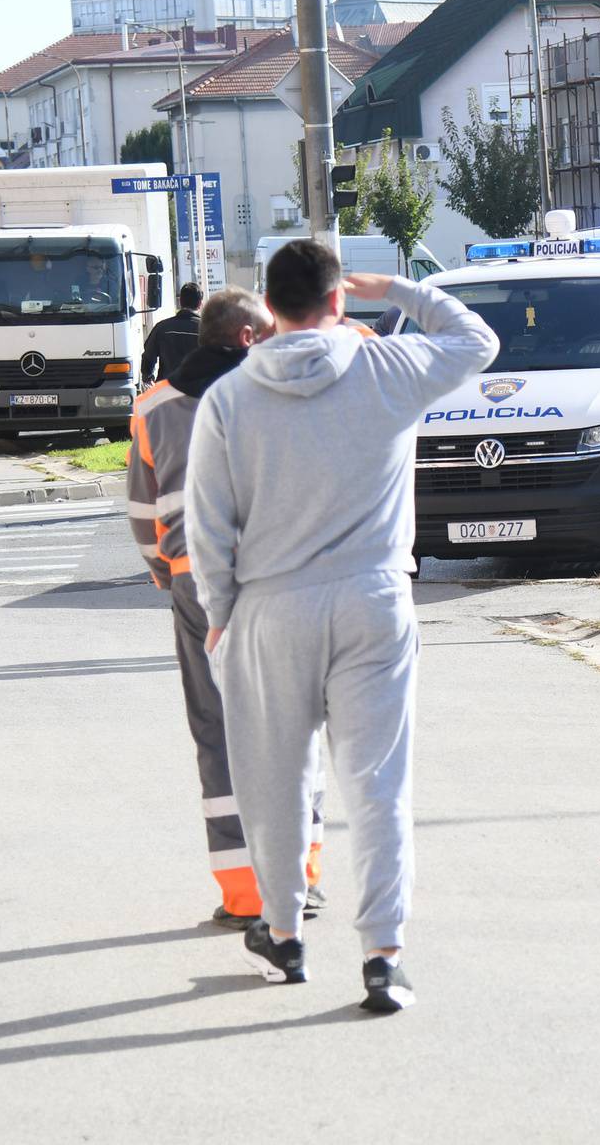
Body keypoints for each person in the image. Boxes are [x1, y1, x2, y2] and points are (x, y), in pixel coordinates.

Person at [186, 239, 498, 1013]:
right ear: (338, 299)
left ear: (267, 309)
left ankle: (284, 936)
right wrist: (397, 288)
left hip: (269, 607)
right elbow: (477, 341)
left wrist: (222, 616)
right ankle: (383, 955)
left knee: (274, 780)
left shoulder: (229, 398)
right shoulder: (387, 370)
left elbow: (207, 524)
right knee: (378, 783)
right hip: (373, 597)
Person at [129, 288, 331, 930]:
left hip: (198, 582)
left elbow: (142, 513)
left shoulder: (153, 407)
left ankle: (246, 895)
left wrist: (167, 571)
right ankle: (300, 880)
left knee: (218, 733)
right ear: (247, 338)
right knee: (294, 725)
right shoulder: (285, 395)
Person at [141, 282, 203, 384]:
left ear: (180, 301)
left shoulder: (162, 327)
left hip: (167, 389)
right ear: (200, 303)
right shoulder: (207, 329)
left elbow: (148, 356)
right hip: (197, 390)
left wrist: (148, 377)